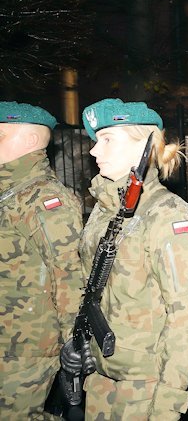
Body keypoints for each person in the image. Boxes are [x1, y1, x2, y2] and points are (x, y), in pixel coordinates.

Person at [75, 98, 188, 420]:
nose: (95, 151)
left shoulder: (169, 216)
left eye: (108, 139)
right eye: (96, 141)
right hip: (99, 379)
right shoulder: (104, 208)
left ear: (144, 147)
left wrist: (166, 404)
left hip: (144, 389)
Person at [0, 102, 83, 419]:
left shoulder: (44, 198)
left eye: (1, 135)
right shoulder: (11, 193)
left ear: (31, 141)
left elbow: (70, 275)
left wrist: (73, 341)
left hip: (28, 343)